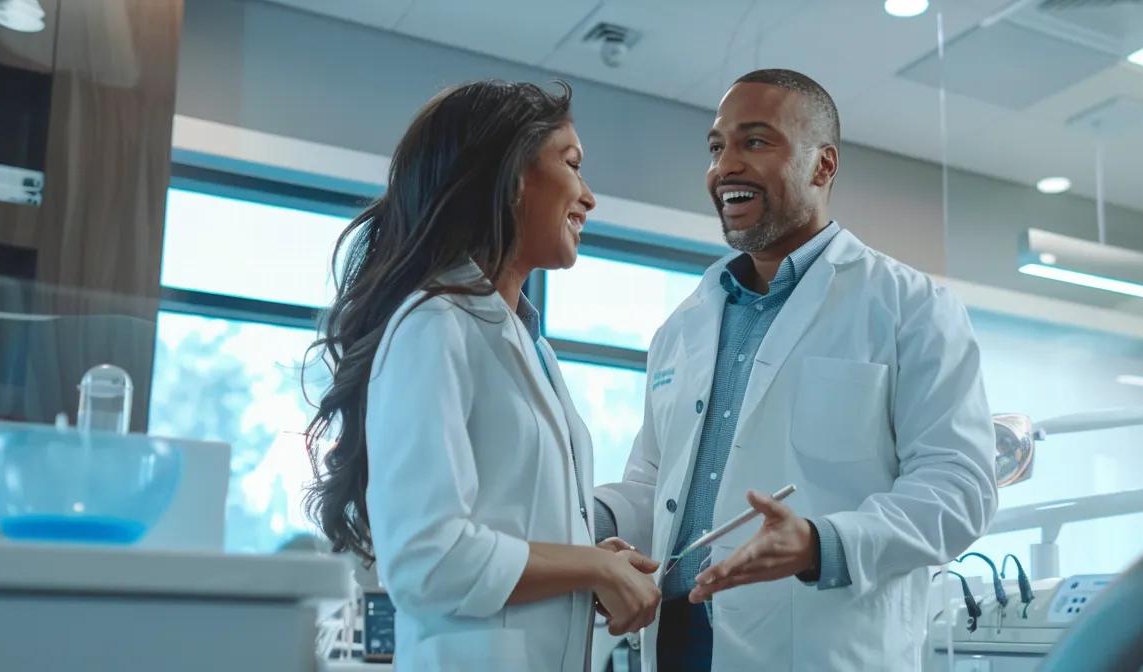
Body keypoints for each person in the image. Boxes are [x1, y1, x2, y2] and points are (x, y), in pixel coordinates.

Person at [591, 69, 999, 670]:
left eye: (755, 142)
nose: (726, 165)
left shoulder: (910, 307)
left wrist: (818, 543)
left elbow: (959, 487)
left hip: (820, 649)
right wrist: (584, 520)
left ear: (822, 165)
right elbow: (657, 487)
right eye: (716, 147)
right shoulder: (683, 327)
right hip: (676, 643)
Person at [304, 80, 661, 671]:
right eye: (572, 165)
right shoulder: (434, 324)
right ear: (513, 176)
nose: (589, 197)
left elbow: (503, 525)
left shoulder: (527, 345)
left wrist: (589, 562)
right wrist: (590, 566)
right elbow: (428, 559)